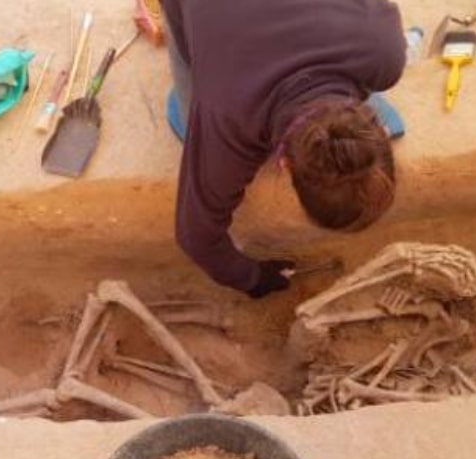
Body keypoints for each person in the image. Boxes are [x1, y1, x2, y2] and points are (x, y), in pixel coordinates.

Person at [162, 0, 407, 298]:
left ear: (377, 127)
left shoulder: (383, 51)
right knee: (192, 106)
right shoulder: (229, 119)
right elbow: (195, 236)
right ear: (286, 164)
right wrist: (252, 279)